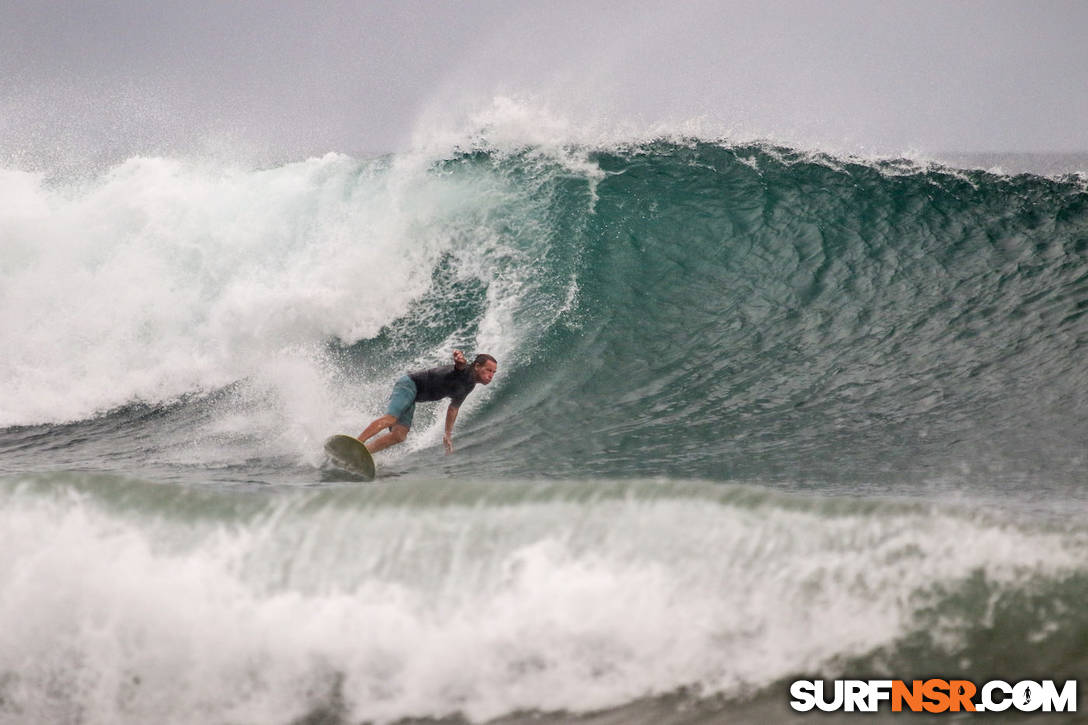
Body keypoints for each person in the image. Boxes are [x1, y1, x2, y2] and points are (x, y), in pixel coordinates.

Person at [357, 350, 497, 455]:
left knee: (399, 435)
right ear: (477, 366)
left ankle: (363, 453)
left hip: (413, 397)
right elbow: (460, 366)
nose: (491, 375)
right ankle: (357, 444)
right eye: (488, 370)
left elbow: (453, 408)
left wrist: (447, 434)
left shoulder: (469, 385)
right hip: (409, 385)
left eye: (494, 372)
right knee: (390, 419)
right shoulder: (465, 372)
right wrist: (459, 359)